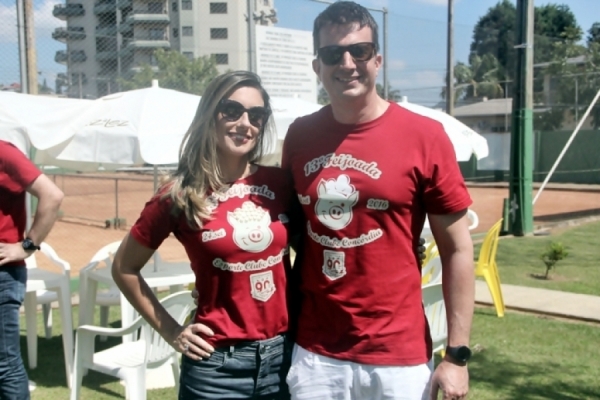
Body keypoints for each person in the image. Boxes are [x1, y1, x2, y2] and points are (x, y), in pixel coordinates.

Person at [281, 2, 475, 400]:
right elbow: (292, 230)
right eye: (332, 54)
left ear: (378, 60)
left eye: (360, 51)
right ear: (317, 66)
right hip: (316, 353)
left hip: (398, 355)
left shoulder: (425, 136)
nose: (347, 63)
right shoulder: (300, 136)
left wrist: (456, 355)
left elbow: (457, 248)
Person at [112, 70, 294, 400]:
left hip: (283, 358)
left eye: (256, 115)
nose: (245, 123)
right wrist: (172, 331)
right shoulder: (180, 194)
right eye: (232, 110)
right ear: (210, 113)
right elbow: (124, 267)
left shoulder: (281, 183)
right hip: (215, 367)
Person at [0, 140, 64, 400]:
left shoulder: (4, 152)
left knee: (4, 365)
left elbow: (52, 195)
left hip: (3, 275)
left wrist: (27, 246)